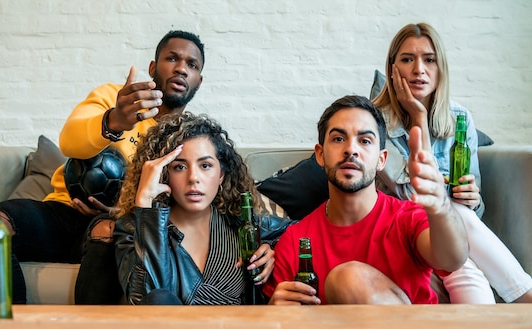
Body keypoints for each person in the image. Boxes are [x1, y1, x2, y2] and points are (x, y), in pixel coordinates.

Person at [0, 30, 205, 304]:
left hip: (117, 226)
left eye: (191, 65)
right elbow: (69, 142)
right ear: (153, 68)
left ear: (198, 81)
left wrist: (124, 212)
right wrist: (115, 120)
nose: (181, 68)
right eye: (172, 58)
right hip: (65, 212)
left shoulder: (190, 139)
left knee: (108, 229)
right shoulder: (114, 98)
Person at [372, 22, 532, 303]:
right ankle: (525, 295)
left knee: (471, 275)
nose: (419, 69)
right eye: (407, 59)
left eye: (429, 60)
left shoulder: (460, 118)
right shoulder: (373, 121)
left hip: (451, 234)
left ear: (440, 68)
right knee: (453, 212)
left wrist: (472, 197)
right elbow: (417, 193)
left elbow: (472, 209)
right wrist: (419, 117)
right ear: (392, 68)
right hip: (402, 231)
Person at [263, 95, 469, 305]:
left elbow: (452, 259)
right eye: (338, 139)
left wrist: (442, 207)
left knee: (347, 279)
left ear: (381, 160)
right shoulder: (296, 241)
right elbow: (274, 327)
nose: (351, 150)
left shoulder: (407, 218)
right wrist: (274, 309)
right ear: (320, 155)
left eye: (365, 141)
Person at [113, 112, 291, 305]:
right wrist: (146, 207)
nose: (193, 178)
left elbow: (306, 234)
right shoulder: (132, 230)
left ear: (221, 174)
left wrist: (275, 250)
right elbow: (147, 300)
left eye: (205, 165)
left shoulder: (245, 224)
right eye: (179, 167)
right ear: (164, 173)